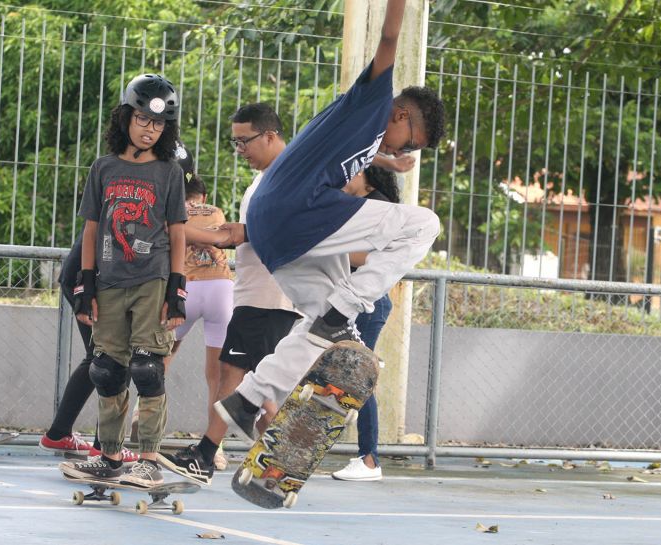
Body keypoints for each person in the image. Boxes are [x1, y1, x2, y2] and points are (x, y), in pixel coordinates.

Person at [213, 0, 446, 443]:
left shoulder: (365, 132)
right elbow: (390, 38)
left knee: (320, 333)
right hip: (301, 216)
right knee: (423, 224)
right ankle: (348, 305)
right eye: (410, 143)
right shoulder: (375, 101)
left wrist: (386, 160)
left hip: (274, 232)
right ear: (401, 115)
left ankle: (242, 405)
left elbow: (337, 150)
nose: (405, 151)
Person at [157, 103, 300, 485]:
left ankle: (206, 454)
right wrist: (189, 231)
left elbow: (270, 231)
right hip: (256, 296)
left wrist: (186, 230)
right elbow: (235, 234)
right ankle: (281, 462)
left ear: (270, 136)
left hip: (269, 298)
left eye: (244, 142)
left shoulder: (286, 177)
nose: (240, 150)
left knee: (233, 376)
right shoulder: (267, 177)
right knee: (251, 380)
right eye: (235, 143)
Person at [59, 73, 188, 489]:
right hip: (110, 281)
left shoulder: (169, 172)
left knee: (148, 369)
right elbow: (92, 231)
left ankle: (148, 457)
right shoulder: (104, 168)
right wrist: (86, 286)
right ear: (126, 118)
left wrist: (177, 289)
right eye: (142, 120)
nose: (150, 130)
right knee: (107, 370)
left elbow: (178, 231)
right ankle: (110, 456)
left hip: (152, 279)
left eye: (159, 124)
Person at [40, 143, 200, 463]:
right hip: (94, 279)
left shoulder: (158, 188)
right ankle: (103, 446)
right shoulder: (128, 182)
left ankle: (61, 434)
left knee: (108, 361)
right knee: (111, 362)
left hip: (96, 278)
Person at [150, 173, 234, 470]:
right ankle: (216, 448)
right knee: (217, 375)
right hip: (221, 289)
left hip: (186, 289)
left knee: (160, 357)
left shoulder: (173, 212)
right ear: (204, 196)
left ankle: (143, 422)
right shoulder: (215, 211)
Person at [332, 165, 400, 482]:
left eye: (351, 173)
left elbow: (369, 257)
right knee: (342, 374)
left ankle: (369, 459)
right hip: (356, 299)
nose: (344, 180)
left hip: (368, 303)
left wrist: (326, 252)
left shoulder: (379, 207)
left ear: (367, 177)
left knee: (360, 377)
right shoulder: (364, 205)